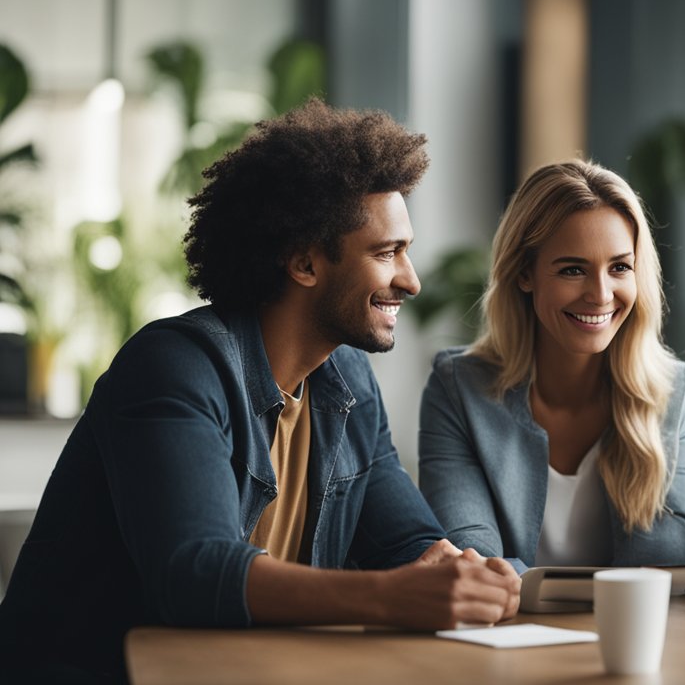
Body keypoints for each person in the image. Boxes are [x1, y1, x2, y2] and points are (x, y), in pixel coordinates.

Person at [0, 101, 520, 683]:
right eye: (385, 252)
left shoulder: (349, 386)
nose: (411, 279)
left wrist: (471, 576)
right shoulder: (173, 367)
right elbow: (195, 574)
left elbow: (412, 545)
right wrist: (394, 597)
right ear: (303, 262)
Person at [419, 160, 685, 592]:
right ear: (524, 273)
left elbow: (672, 561)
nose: (601, 295)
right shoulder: (459, 387)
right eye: (573, 269)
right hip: (506, 639)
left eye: (620, 267)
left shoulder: (670, 390)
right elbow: (472, 557)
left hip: (636, 636)